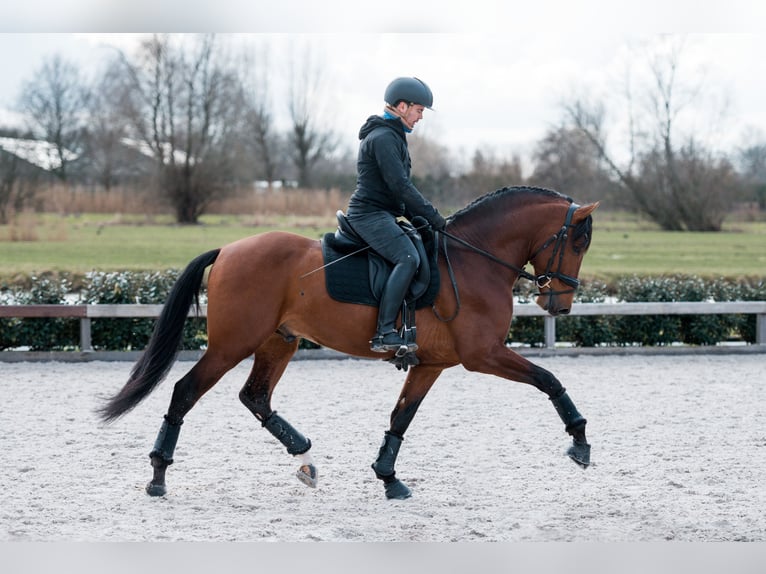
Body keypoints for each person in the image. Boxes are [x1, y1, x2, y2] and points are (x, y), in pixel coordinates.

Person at [345, 76, 447, 354]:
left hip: (384, 213)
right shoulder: (383, 138)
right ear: (402, 106)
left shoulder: (392, 135)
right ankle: (384, 331)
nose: (420, 117)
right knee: (408, 257)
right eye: (419, 110)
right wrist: (433, 215)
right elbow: (400, 186)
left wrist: (417, 216)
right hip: (369, 215)